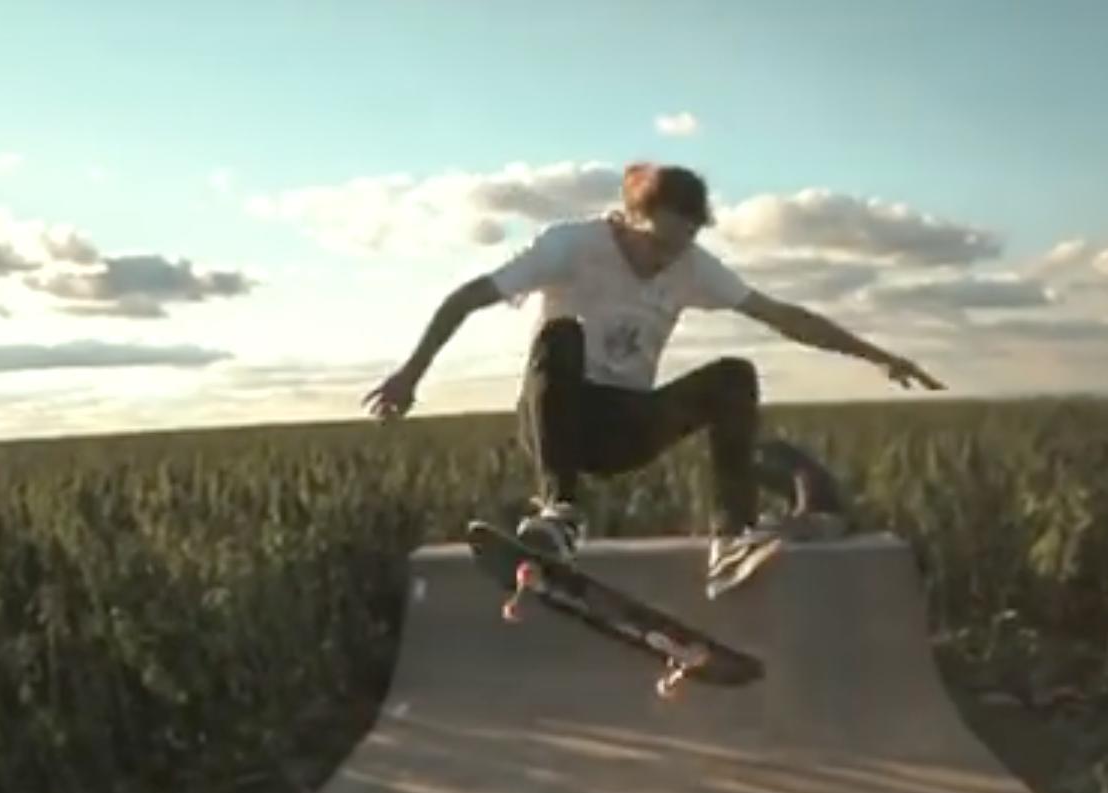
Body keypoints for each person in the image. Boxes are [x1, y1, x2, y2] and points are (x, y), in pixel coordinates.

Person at [362, 162, 943, 597]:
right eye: (656, 245)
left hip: (628, 428)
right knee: (561, 334)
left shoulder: (694, 267)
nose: (664, 261)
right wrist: (410, 375)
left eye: (680, 246)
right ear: (627, 220)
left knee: (733, 375)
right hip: (558, 420)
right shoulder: (570, 246)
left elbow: (784, 316)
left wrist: (878, 356)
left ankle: (730, 538)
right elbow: (467, 298)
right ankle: (560, 511)